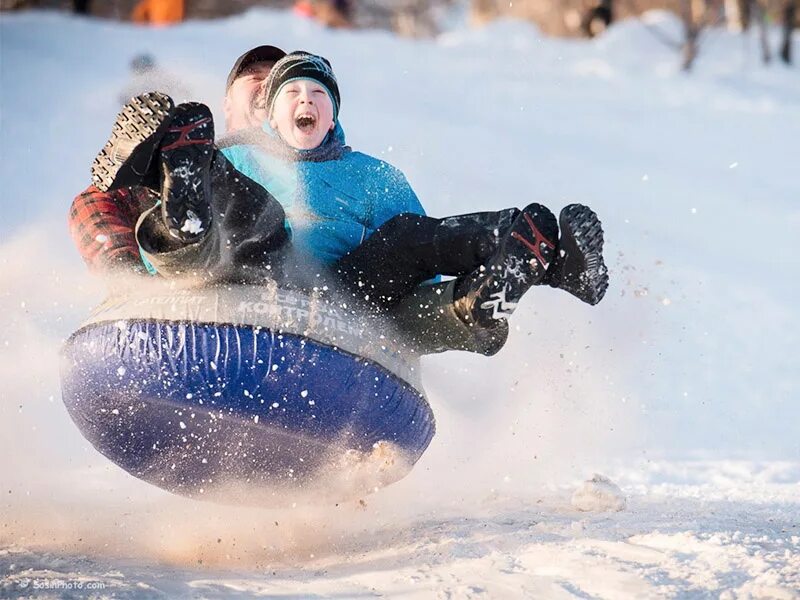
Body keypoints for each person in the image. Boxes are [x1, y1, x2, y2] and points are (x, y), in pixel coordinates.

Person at [84, 52, 608, 355]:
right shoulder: (244, 155)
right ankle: (182, 197)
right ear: (269, 113)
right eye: (290, 94)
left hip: (347, 291)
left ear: (334, 115)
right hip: (257, 273)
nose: (305, 102)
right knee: (255, 217)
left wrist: (441, 300)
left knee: (406, 236)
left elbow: (415, 271)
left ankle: (515, 254)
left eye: (318, 95)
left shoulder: (375, 176)